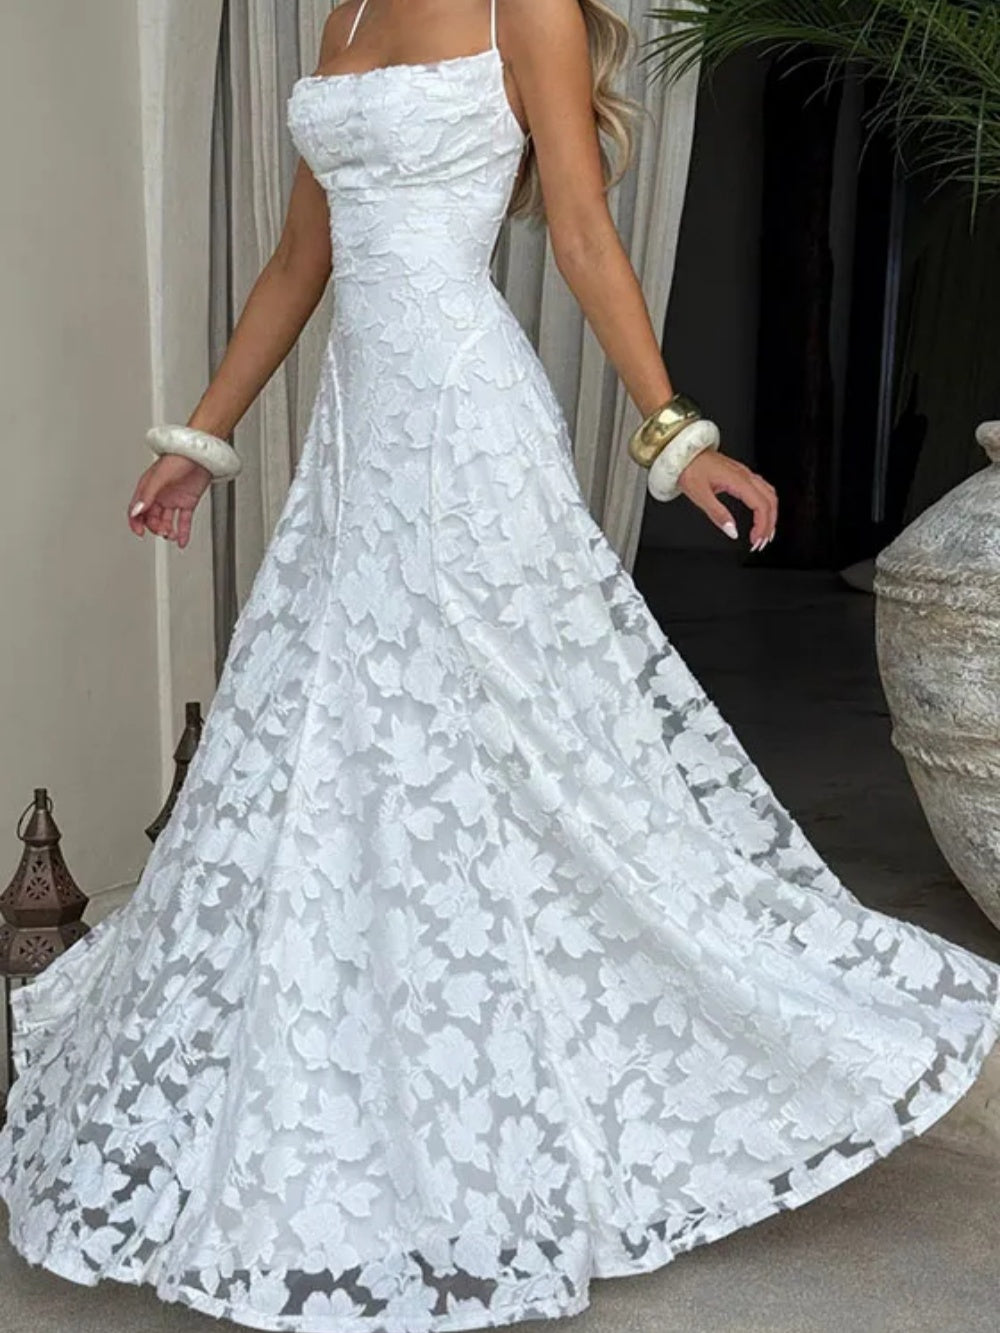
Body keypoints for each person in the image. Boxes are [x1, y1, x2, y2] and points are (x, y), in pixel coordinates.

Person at [1, 3, 997, 1331]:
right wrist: (201, 439)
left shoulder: (520, 5)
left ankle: (585, 1062)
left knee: (526, 737)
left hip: (464, 422)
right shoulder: (347, 12)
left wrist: (676, 434)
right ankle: (364, 1049)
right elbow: (298, 261)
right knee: (350, 732)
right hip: (359, 438)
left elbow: (581, 234)